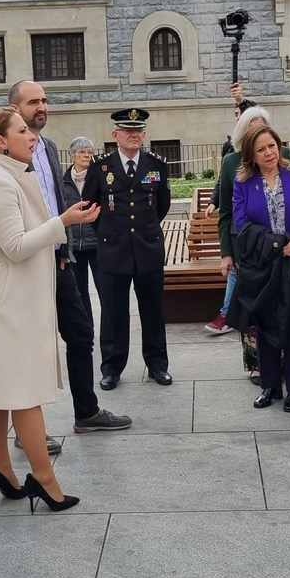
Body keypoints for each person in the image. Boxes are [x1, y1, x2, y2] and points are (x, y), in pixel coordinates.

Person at [0, 108, 101, 512]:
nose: (32, 136)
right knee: (21, 391)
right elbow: (16, 245)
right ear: (0, 141)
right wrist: (64, 221)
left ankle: (2, 469)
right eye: (22, 130)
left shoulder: (1, 173)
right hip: (6, 303)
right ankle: (43, 478)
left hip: (2, 297)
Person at [9, 81, 132, 436]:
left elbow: (52, 201)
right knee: (30, 345)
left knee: (80, 334)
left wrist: (64, 248)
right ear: (14, 107)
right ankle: (28, 432)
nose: (42, 107)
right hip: (24, 261)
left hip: (56, 258)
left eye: (44, 100)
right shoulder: (6, 153)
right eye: (34, 101)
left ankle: (87, 412)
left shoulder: (47, 146)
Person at [229, 124, 290, 412]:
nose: (268, 152)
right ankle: (269, 385)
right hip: (262, 263)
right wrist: (276, 244)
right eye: (261, 149)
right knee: (265, 322)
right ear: (251, 155)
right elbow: (241, 223)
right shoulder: (243, 182)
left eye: (272, 146)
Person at [82, 107, 173, 391]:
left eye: (138, 131)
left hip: (148, 249)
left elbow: (162, 205)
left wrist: (143, 232)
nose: (133, 135)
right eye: (127, 131)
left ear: (144, 134)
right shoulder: (101, 168)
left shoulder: (157, 165)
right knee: (113, 312)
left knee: (153, 311)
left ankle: (157, 364)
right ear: (115, 135)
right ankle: (111, 367)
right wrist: (111, 235)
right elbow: (91, 207)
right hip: (113, 250)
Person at [215, 104, 282, 383]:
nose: (257, 131)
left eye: (261, 125)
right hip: (245, 247)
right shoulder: (231, 162)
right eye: (251, 126)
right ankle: (255, 364)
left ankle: (280, 359)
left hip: (279, 245)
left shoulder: (282, 155)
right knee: (251, 306)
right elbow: (226, 211)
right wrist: (226, 253)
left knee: (280, 305)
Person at [204, 89, 254, 333]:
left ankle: (229, 313)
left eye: (239, 113)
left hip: (272, 239)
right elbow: (223, 182)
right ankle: (229, 314)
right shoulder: (230, 152)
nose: (237, 117)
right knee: (236, 270)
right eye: (236, 114)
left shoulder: (277, 153)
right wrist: (214, 200)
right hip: (240, 230)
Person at [61, 136, 100, 323]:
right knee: (79, 290)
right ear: (72, 156)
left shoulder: (98, 177)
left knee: (104, 288)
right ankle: (87, 327)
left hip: (97, 243)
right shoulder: (63, 182)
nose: (86, 155)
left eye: (89, 152)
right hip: (75, 245)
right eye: (82, 152)